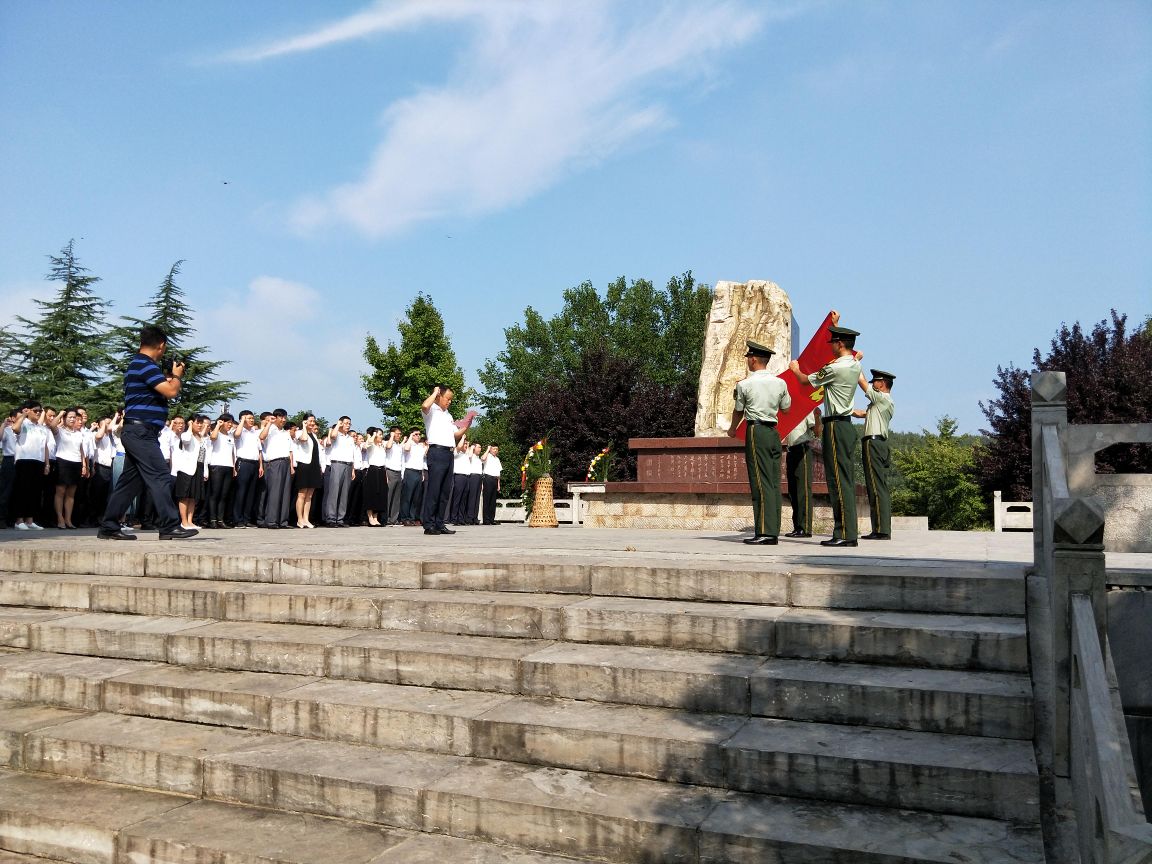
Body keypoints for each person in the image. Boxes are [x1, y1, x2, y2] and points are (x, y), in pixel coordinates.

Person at [98, 325, 197, 540]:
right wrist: (177, 377)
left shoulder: (138, 365)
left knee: (129, 483)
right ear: (161, 346)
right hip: (141, 431)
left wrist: (170, 376)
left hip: (138, 431)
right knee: (161, 475)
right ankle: (170, 525)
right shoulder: (146, 365)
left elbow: (161, 388)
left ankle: (109, 526)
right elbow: (171, 391)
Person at [789, 322, 862, 547]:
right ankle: (847, 531)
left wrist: (794, 369)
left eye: (832, 343)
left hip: (835, 426)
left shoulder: (836, 368)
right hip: (846, 424)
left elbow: (805, 381)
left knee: (837, 480)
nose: (830, 346)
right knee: (845, 480)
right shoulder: (854, 365)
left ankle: (844, 534)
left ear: (840, 344)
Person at [729, 340, 791, 545]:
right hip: (774, 431)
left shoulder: (745, 384)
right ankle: (773, 529)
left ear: (753, 359)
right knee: (773, 482)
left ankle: (765, 531)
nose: (748, 361)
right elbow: (786, 409)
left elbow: (739, 409)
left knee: (760, 481)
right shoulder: (780, 383)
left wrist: (732, 429)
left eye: (748, 358)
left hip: (756, 431)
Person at [421, 384, 472, 535]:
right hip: (437, 452)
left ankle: (439, 523)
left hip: (449, 453)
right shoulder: (431, 411)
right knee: (434, 489)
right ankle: (429, 524)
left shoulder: (448, 415)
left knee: (444, 491)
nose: (449, 402)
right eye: (447, 398)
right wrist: (435, 392)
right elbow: (424, 405)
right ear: (439, 396)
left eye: (451, 399)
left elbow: (455, 435)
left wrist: (468, 423)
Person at [854, 369, 896, 540]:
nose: (873, 384)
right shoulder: (880, 403)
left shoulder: (883, 398)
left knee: (876, 487)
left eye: (875, 382)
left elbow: (863, 384)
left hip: (874, 444)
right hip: (877, 443)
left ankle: (881, 530)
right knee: (877, 486)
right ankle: (880, 528)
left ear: (883, 383)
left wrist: (854, 363)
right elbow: (866, 414)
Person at [11, 401, 49, 531]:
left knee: (35, 492)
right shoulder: (23, 423)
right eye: (35, 410)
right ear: (28, 411)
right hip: (24, 460)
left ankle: (30, 520)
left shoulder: (42, 428)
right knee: (22, 490)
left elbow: (45, 447)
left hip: (38, 461)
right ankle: (19, 520)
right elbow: (15, 429)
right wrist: (23, 415)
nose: (38, 413)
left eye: (40, 411)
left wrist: (47, 463)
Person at [782, 409, 821, 538]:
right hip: (791, 449)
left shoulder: (806, 409)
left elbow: (817, 432)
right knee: (793, 491)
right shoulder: (787, 410)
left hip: (802, 448)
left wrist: (817, 416)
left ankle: (804, 527)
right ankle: (797, 526)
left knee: (802, 490)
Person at [50, 407, 87, 529]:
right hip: (62, 462)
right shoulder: (60, 431)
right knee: (60, 491)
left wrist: (84, 465)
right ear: (65, 418)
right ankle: (60, 518)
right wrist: (61, 414)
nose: (72, 419)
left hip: (76, 463)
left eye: (74, 417)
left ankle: (68, 519)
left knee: (71, 493)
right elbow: (52, 425)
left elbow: (81, 450)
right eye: (70, 417)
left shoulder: (79, 433)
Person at [173, 415, 210, 530]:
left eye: (201, 423)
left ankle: (190, 521)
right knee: (184, 496)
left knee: (193, 497)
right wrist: (189, 427)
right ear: (191, 423)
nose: (199, 425)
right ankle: (183, 521)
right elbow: (186, 441)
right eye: (197, 423)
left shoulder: (202, 437)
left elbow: (204, 456)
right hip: (186, 470)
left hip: (198, 468)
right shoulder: (186, 434)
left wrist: (205, 470)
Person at [258, 409, 293, 529]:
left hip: (286, 462)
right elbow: (261, 436)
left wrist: (291, 466)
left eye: (285, 417)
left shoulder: (285, 433)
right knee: (275, 493)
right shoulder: (270, 430)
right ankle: (271, 521)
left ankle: (283, 521)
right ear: (276, 417)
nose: (283, 420)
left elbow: (289, 450)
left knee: (285, 492)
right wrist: (269, 423)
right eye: (281, 417)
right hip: (274, 463)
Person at [206, 413, 237, 529]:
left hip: (228, 466)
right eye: (228, 422)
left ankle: (220, 519)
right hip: (217, 466)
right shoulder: (216, 433)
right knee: (215, 494)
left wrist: (234, 467)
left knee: (224, 495)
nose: (230, 425)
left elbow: (233, 453)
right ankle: (212, 519)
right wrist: (218, 425)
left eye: (231, 422)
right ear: (222, 422)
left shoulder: (230, 436)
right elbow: (212, 437)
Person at [232, 410, 261, 528]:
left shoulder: (255, 432)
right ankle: (237, 519)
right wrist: (242, 421)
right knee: (241, 492)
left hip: (254, 464)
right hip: (243, 463)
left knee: (251, 493)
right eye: (249, 418)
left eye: (252, 418)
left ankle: (247, 519)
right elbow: (237, 435)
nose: (251, 420)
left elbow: (259, 450)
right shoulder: (239, 431)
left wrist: (261, 466)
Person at [323, 416, 355, 527]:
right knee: (334, 492)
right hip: (337, 464)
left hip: (348, 465)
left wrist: (352, 470)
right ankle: (331, 518)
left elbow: (352, 455)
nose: (348, 425)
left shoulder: (350, 438)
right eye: (346, 423)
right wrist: (338, 424)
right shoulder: (336, 435)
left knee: (344, 493)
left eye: (349, 423)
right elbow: (332, 436)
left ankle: (340, 518)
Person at [292, 414, 322, 528]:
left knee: (309, 495)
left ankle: (306, 518)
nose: (312, 423)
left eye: (314, 421)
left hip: (314, 465)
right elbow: (304, 439)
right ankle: (299, 519)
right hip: (304, 465)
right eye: (310, 421)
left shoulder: (314, 434)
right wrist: (304, 427)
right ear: (304, 422)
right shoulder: (300, 432)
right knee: (302, 494)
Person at [361, 427, 389, 527]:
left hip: (381, 471)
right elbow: (366, 445)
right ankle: (370, 517)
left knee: (380, 494)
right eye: (379, 434)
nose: (381, 436)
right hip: (372, 470)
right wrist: (372, 434)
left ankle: (376, 517)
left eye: (382, 434)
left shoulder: (382, 447)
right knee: (371, 494)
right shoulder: (371, 445)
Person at [398, 429, 427, 525]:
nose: (418, 436)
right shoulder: (408, 444)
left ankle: (412, 517)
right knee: (407, 496)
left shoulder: (420, 447)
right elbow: (406, 449)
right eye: (416, 434)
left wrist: (422, 473)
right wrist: (410, 437)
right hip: (410, 471)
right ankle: (404, 517)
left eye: (419, 434)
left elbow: (422, 460)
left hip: (419, 472)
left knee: (416, 497)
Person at [0, 409, 19, 528]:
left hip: (22, 461)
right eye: (19, 417)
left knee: (17, 491)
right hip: (9, 460)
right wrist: (3, 424)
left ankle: (14, 518)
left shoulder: (25, 430)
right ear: (12, 418)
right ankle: (1, 518)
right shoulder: (7, 430)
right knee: (5, 491)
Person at [383, 426, 405, 525]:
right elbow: (388, 447)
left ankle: (394, 518)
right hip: (390, 471)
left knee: (396, 497)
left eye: (400, 434)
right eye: (397, 433)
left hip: (398, 471)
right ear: (392, 433)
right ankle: (385, 517)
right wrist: (391, 436)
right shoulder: (387, 442)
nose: (399, 435)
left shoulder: (398, 445)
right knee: (388, 495)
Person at [480, 445, 502, 525]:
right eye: (493, 449)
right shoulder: (487, 456)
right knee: (487, 499)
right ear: (490, 449)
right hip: (488, 478)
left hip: (495, 479)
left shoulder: (497, 459)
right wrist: (487, 449)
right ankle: (486, 520)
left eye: (497, 449)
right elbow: (482, 458)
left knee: (493, 500)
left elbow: (498, 472)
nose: (495, 450)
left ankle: (492, 519)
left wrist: (498, 484)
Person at [464, 441, 484, 525]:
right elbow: (469, 456)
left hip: (479, 477)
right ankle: (469, 517)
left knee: (477, 498)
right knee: (472, 498)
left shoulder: (478, 459)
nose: (480, 449)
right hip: (473, 477)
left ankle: (474, 517)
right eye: (478, 447)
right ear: (474, 447)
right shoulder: (470, 455)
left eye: (480, 447)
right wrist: (471, 447)